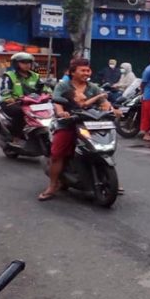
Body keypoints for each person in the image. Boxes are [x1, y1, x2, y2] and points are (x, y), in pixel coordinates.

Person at [38, 58, 114, 201]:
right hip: (68, 123)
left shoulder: (93, 87)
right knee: (57, 154)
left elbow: (104, 102)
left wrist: (110, 109)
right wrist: (61, 112)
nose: (86, 73)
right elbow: (57, 102)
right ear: (73, 72)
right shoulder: (63, 86)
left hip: (90, 124)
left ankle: (108, 177)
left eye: (88, 70)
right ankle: (53, 185)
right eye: (83, 70)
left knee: (104, 148)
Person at [0, 52, 48, 139]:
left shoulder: (35, 76)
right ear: (16, 64)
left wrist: (48, 94)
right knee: (20, 112)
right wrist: (8, 98)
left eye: (29, 62)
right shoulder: (9, 75)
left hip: (32, 102)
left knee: (48, 110)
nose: (27, 65)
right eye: (23, 62)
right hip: (13, 102)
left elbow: (44, 88)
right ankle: (15, 136)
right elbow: (5, 90)